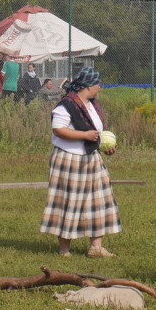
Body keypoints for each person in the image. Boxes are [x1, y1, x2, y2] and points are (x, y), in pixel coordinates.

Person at [40, 66, 121, 257]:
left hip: (91, 158)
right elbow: (58, 129)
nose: (99, 87)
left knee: (99, 200)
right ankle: (64, 249)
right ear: (88, 85)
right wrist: (83, 134)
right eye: (97, 83)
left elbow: (97, 132)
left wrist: (105, 146)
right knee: (68, 202)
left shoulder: (93, 105)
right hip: (69, 160)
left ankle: (96, 247)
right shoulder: (66, 105)